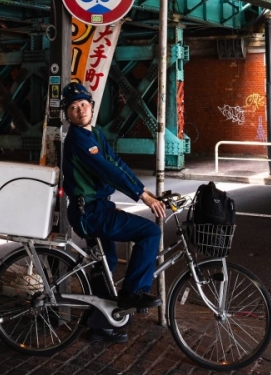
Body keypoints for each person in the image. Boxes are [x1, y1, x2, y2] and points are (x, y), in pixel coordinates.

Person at [60, 80, 166, 344]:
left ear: (91, 107)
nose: (80, 110)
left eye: (83, 104)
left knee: (105, 264)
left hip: (97, 208)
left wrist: (144, 191)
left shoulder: (94, 134)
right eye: (73, 107)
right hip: (91, 213)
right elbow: (106, 171)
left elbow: (116, 163)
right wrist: (141, 196)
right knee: (150, 232)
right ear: (67, 114)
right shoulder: (79, 140)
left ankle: (101, 325)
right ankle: (134, 294)